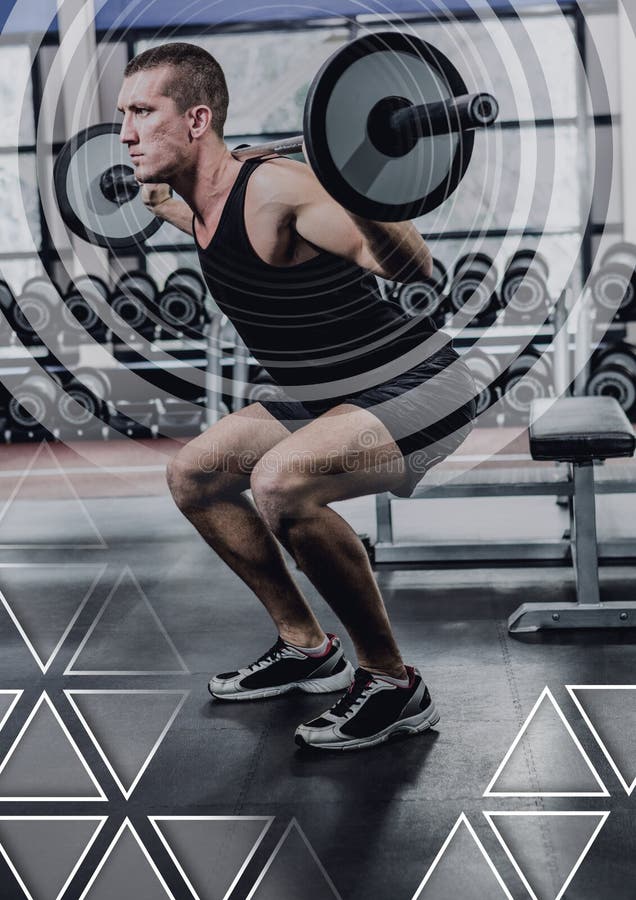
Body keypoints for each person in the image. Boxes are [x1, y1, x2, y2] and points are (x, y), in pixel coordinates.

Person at [117, 41, 477, 751]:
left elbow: (413, 264)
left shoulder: (281, 189)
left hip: (417, 386)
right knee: (194, 473)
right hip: (323, 391)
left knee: (281, 483)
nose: (125, 134)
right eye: (121, 116)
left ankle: (392, 683)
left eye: (140, 113)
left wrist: (355, 182)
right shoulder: (196, 204)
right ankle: (306, 646)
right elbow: (165, 204)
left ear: (195, 121)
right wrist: (155, 190)